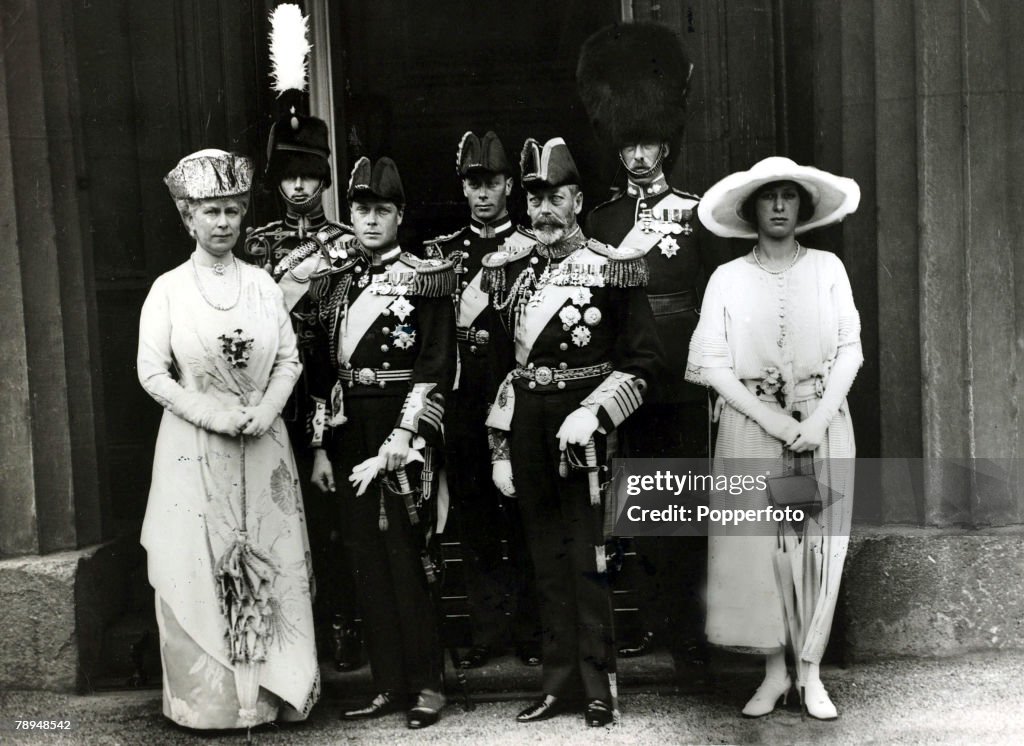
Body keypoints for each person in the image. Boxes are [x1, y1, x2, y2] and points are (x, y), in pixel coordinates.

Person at [483, 138, 664, 727]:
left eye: (554, 197)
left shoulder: (615, 268)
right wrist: (501, 445)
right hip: (530, 424)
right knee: (544, 556)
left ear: (578, 199)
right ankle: (556, 684)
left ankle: (596, 686)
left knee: (589, 559)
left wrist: (598, 411)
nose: (542, 209)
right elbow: (503, 370)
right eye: (534, 198)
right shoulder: (509, 271)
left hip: (584, 426)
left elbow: (641, 361)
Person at [138, 149, 319, 729]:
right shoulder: (168, 289)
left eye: (233, 212)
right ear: (188, 218)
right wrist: (212, 415)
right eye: (211, 212)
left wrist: (266, 409)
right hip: (195, 447)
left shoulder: (264, 284)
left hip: (263, 444)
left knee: (269, 556)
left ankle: (271, 694)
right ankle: (213, 704)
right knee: (200, 560)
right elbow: (151, 373)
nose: (223, 223)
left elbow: (288, 359)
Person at [687, 156, 862, 720]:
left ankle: (810, 673)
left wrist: (816, 421)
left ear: (803, 206)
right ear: (753, 209)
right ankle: (773, 672)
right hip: (751, 424)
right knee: (761, 549)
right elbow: (713, 363)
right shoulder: (728, 278)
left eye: (790, 195)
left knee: (815, 546)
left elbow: (850, 350)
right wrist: (775, 422)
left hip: (822, 418)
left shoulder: (828, 268)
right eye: (770, 197)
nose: (781, 206)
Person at [578, 21, 718, 665]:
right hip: (626, 382)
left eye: (650, 144)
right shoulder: (601, 220)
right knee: (627, 504)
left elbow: (714, 301)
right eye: (630, 144)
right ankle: (640, 621)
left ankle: (689, 632)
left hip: (684, 380)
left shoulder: (696, 215)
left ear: (667, 144)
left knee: (685, 507)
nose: (639, 156)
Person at [304, 156, 456, 729]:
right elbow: (322, 373)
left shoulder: (428, 277)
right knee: (364, 559)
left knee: (409, 560)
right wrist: (319, 446)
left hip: (402, 429)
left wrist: (404, 433)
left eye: (382, 211)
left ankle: (427, 684)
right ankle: (387, 684)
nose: (370, 222)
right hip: (348, 434)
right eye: (362, 211)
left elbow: (437, 363)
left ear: (400, 216)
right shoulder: (334, 284)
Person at [244, 4, 362, 673]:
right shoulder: (255, 245)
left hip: (332, 394)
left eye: (309, 175)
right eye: (288, 175)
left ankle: (344, 626)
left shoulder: (345, 245)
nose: (298, 185)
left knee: (336, 518)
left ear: (323, 177)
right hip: (274, 400)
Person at [423, 130, 542, 670]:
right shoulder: (442, 257)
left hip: (520, 405)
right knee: (474, 520)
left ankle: (530, 631)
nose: (482, 193)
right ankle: (487, 631)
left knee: (524, 517)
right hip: (466, 408)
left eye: (492, 182)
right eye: (474, 183)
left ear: (510, 186)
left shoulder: (533, 252)